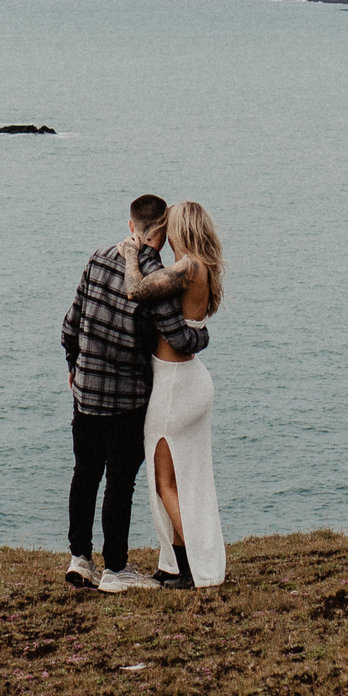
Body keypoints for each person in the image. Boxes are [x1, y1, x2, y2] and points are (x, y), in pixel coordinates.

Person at [61, 193, 207, 592]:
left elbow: (70, 324)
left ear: (131, 225)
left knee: (85, 474)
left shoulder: (98, 258)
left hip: (87, 392)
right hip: (127, 399)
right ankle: (116, 567)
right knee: (119, 482)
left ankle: (80, 558)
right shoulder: (152, 274)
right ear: (163, 231)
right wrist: (203, 334)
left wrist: (74, 367)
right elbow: (178, 336)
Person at [119, 199, 225, 588]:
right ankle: (174, 565)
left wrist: (134, 251)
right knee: (185, 480)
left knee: (164, 481)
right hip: (190, 379)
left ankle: (196, 568)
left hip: (174, 384)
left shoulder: (188, 267)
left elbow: (137, 290)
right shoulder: (204, 268)